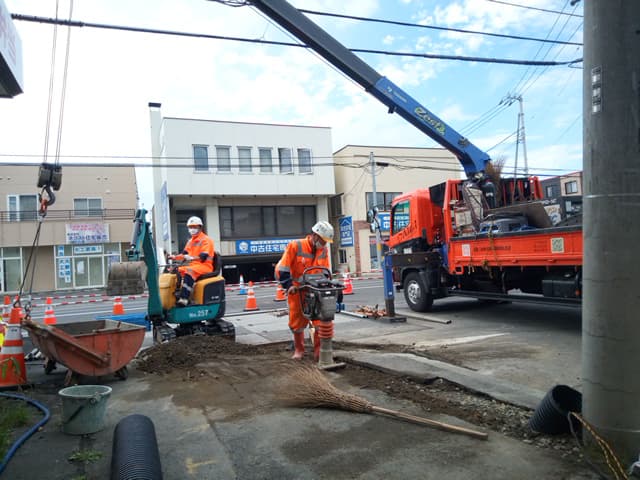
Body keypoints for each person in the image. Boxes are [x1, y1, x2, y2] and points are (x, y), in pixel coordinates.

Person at [276, 220, 334, 360]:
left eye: (326, 242)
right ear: (315, 236)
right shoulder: (296, 246)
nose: (324, 244)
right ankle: (299, 350)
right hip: (297, 289)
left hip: (315, 289)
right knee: (297, 321)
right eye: (323, 240)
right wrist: (288, 285)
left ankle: (319, 352)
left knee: (320, 320)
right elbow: (283, 268)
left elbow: (325, 270)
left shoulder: (323, 250)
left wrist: (328, 285)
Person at [169, 216, 215, 306]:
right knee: (175, 270)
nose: (192, 229)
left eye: (194, 227)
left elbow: (203, 256)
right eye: (190, 227)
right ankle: (177, 292)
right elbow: (184, 254)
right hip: (194, 265)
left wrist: (191, 258)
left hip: (205, 266)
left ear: (200, 227)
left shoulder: (206, 240)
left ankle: (184, 298)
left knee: (189, 271)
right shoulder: (190, 241)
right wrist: (174, 257)